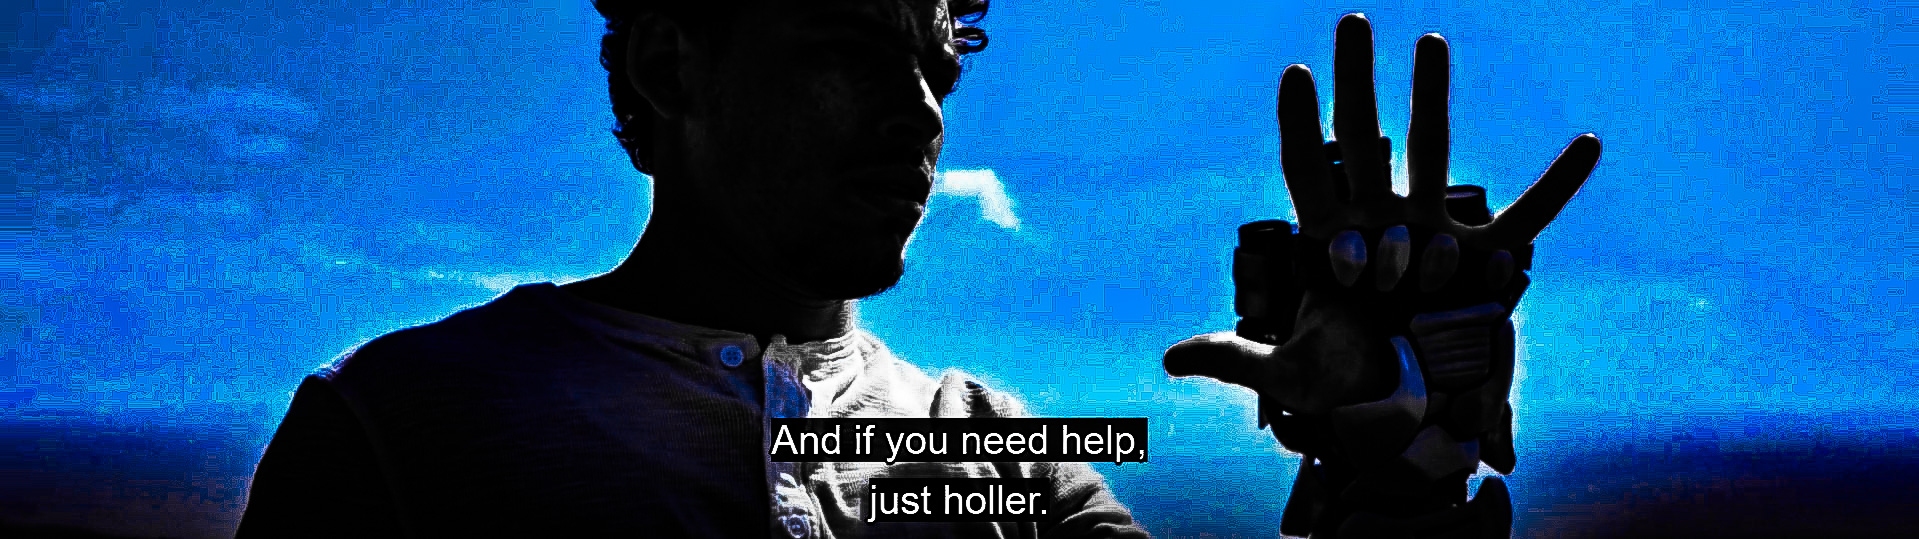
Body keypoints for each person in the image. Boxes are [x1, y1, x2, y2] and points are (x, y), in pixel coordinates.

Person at [236, 1, 1147, 537]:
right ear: (669, 66)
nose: (923, 116)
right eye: (849, 49)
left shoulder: (999, 443)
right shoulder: (398, 422)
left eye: (935, 74)